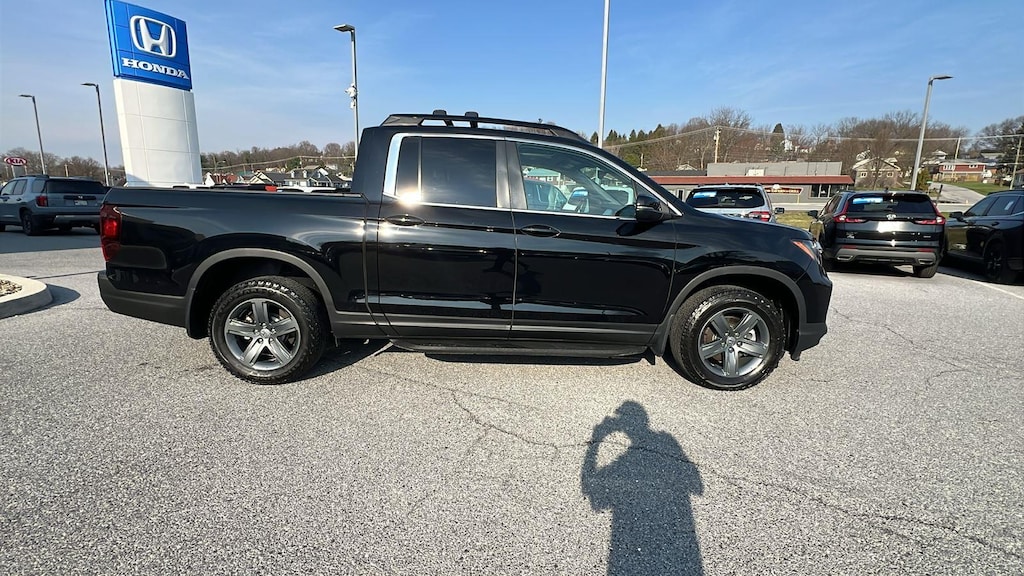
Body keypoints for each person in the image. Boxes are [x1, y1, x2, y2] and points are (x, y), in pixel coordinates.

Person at [581, 401, 704, 575]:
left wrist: (598, 438)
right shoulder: (667, 441)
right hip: (682, 543)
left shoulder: (623, 464)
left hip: (628, 550)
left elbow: (592, 494)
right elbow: (697, 486)